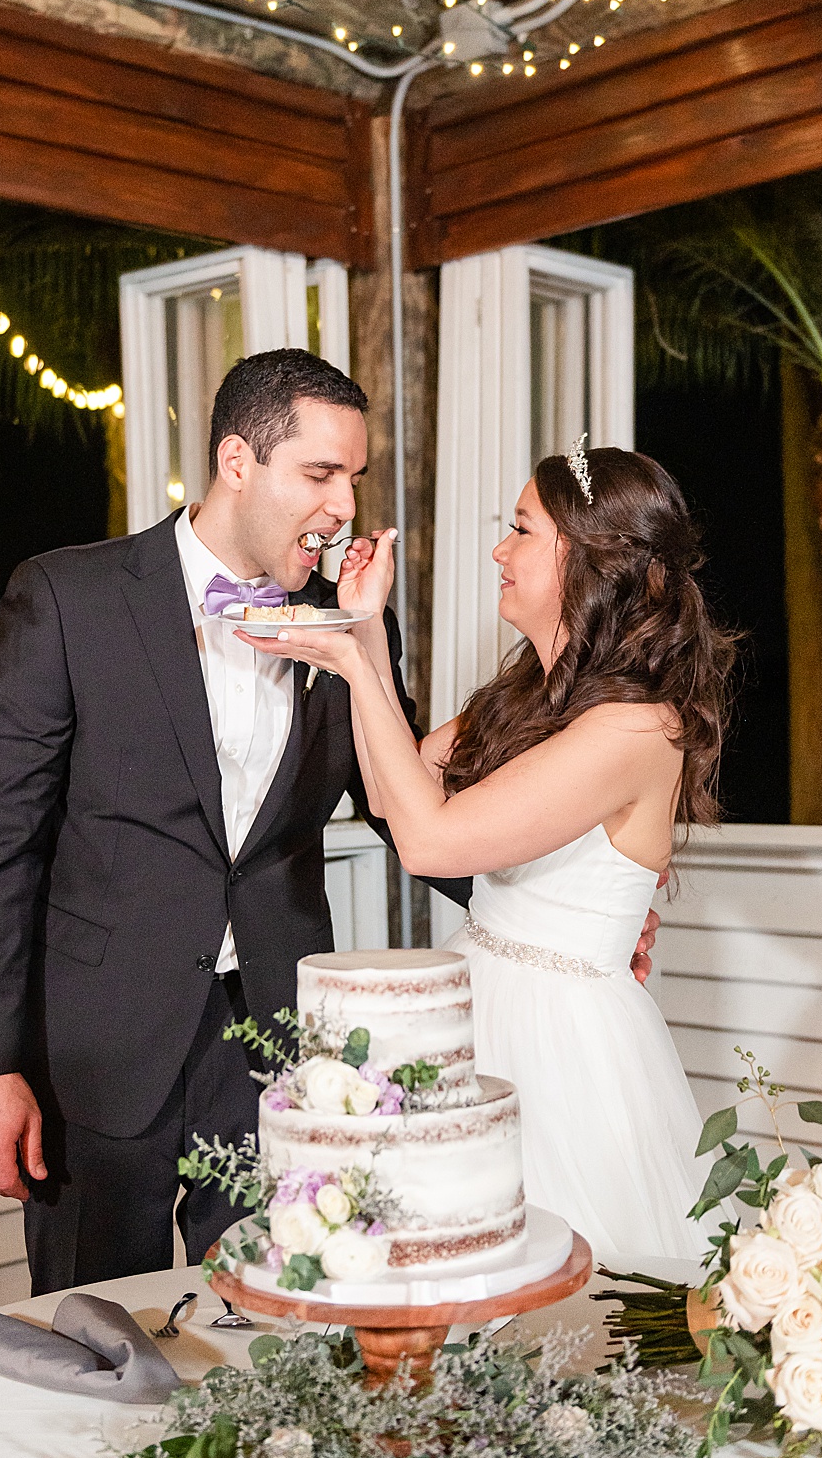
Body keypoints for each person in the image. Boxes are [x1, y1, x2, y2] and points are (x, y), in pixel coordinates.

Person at [0, 349, 481, 1293]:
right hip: (100, 1052)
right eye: (320, 474)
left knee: (278, 1327)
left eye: (353, 478)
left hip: (273, 1047)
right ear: (238, 462)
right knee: (94, 1337)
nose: (344, 506)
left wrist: (541, 900)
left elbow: (405, 811)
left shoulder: (358, 621)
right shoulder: (67, 597)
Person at [246, 440, 729, 1260]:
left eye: (521, 530)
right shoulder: (529, 693)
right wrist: (362, 629)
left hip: (561, 1045)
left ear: (587, 559)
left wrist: (354, 667)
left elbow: (430, 840)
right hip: (474, 992)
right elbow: (398, 782)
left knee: (543, 1274)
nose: (500, 551)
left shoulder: (637, 725)